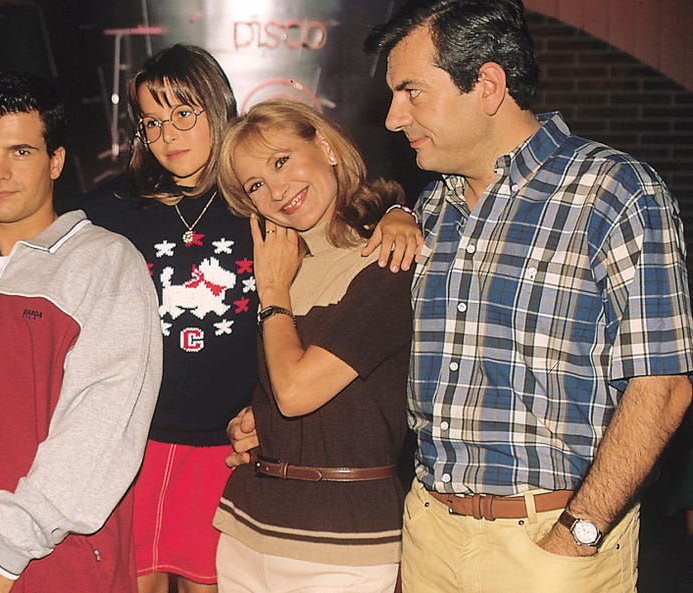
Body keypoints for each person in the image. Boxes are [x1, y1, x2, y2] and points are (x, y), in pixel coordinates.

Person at [231, 2, 693, 592]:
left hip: (551, 539)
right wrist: (271, 423)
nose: (394, 117)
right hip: (429, 535)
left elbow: (663, 387)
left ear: (489, 84)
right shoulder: (427, 212)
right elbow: (377, 370)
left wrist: (577, 533)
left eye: (411, 92)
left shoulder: (615, 193)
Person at [0, 71, 163, 593]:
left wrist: (2, 554)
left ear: (56, 161)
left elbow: (100, 427)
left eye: (20, 151)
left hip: (49, 564)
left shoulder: (103, 262)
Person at [212, 99, 412, 593]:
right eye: (255, 185)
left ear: (324, 145)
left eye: (281, 161)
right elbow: (285, 392)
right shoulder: (284, 264)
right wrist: (258, 419)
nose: (275, 190)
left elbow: (297, 391)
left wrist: (273, 294)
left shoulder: (385, 262)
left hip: (343, 545)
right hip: (247, 528)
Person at [83, 44, 256, 593]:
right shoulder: (115, 207)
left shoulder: (260, 199)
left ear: (216, 104)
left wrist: (395, 213)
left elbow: (345, 207)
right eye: (152, 122)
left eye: (183, 114)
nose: (168, 135)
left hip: (229, 441)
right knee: (136, 581)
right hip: (140, 437)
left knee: (209, 585)